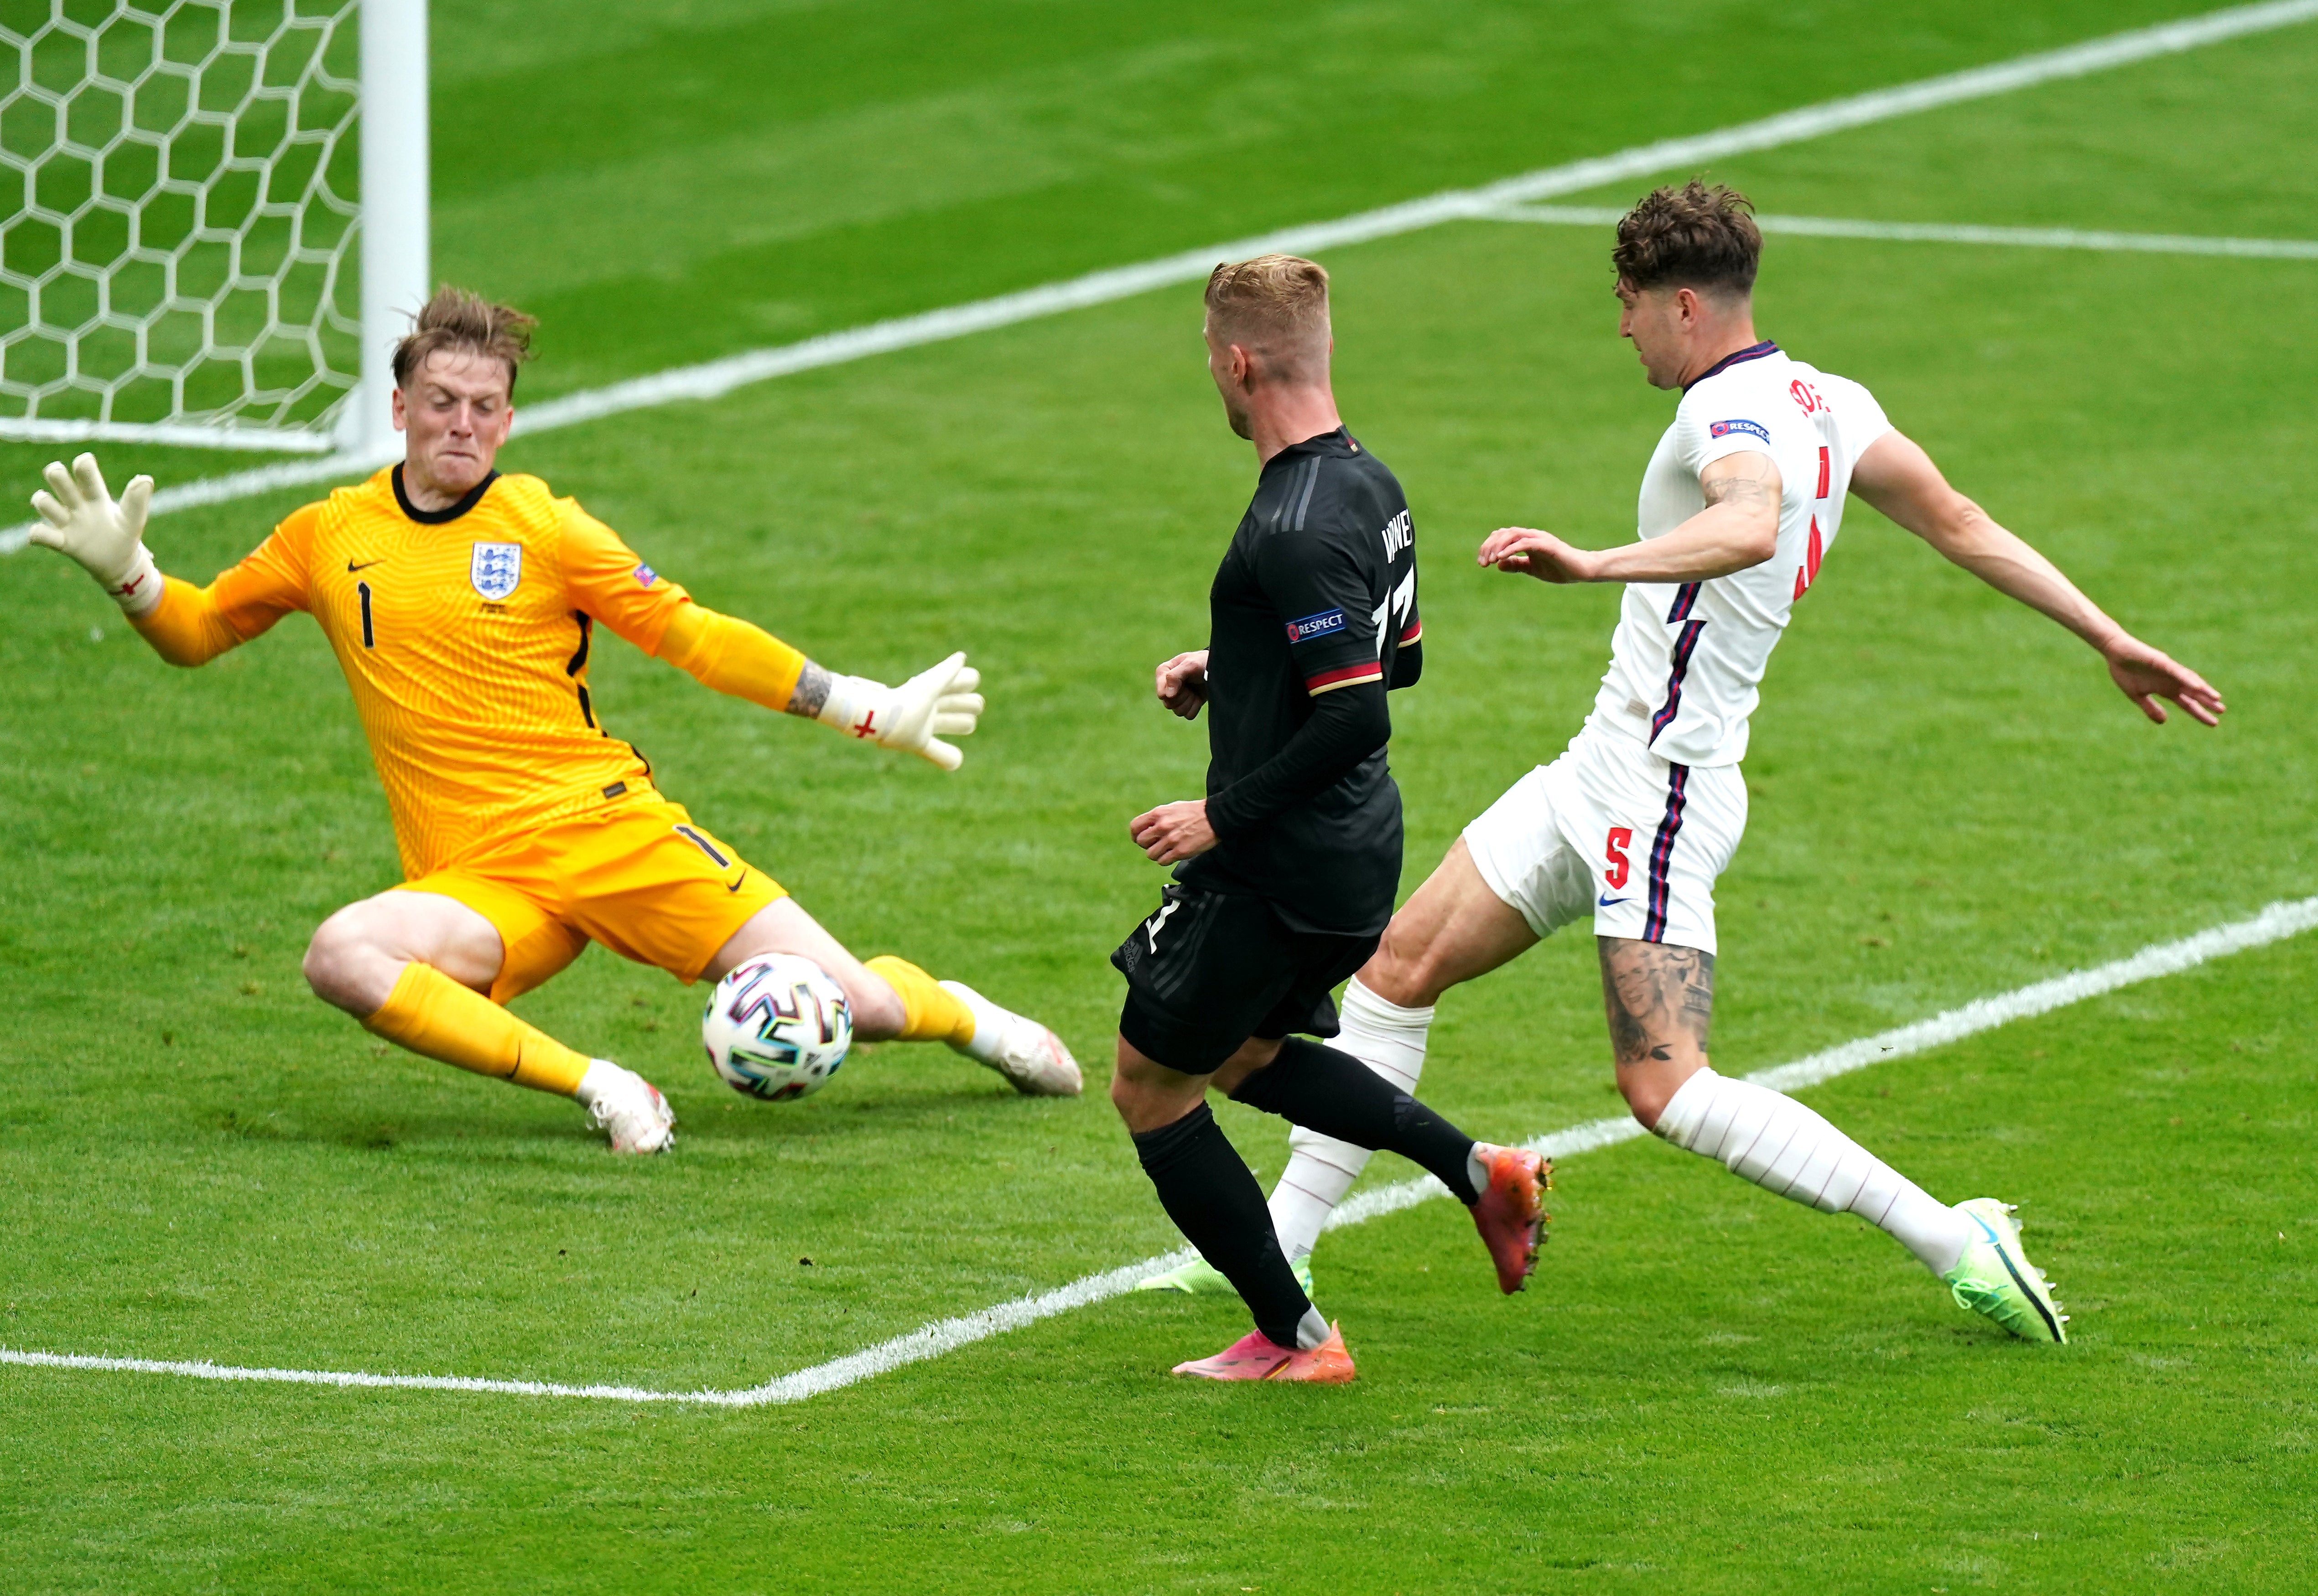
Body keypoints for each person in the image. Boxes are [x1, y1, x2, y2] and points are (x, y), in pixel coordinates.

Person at [1144, 182, 2224, 1344]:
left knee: (1666, 1089)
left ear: (1688, 304)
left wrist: (1595, 562)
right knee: (1397, 971)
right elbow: (1958, 519)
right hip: (1603, 768)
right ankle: (1279, 1251)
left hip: (1660, 793)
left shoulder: (1731, 418)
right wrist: (2107, 634)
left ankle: (1957, 1235)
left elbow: (1749, 520)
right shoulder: (1834, 400)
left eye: (1630, 307)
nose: (1624, 331)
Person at [25, 286, 1081, 1155]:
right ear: (398, 407)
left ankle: (971, 1018)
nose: (463, 425)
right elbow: (200, 630)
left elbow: (692, 636)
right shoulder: (326, 534)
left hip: (609, 829)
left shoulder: (547, 526)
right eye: (442, 400)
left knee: (863, 1006)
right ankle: (606, 1087)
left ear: (510, 419)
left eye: (486, 406)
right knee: (341, 956)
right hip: (480, 881)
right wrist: (131, 575)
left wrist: (862, 706)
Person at [1109, 254, 1548, 1385]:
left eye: (1213, 360)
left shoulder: (1292, 522)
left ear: (1239, 361)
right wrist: (1238, 668)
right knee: (1250, 1055)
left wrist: (1218, 815)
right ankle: (1476, 1169)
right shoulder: (1371, 486)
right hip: (1352, 853)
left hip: (1276, 860)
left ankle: (1297, 1339)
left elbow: (1356, 717)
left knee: (1153, 1088)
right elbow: (1391, 658)